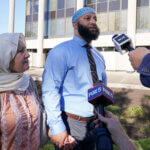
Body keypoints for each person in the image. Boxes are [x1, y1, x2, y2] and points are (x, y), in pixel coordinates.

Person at [42, 7, 107, 150]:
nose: (93, 22)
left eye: (95, 18)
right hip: (70, 123)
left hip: (94, 125)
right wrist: (57, 127)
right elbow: (50, 90)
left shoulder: (99, 56)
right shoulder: (60, 52)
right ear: (75, 25)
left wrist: (100, 113)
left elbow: (102, 87)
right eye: (87, 18)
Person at [0, 33, 41, 150]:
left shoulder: (28, 82)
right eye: (21, 51)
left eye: (26, 50)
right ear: (5, 57)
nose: (27, 55)